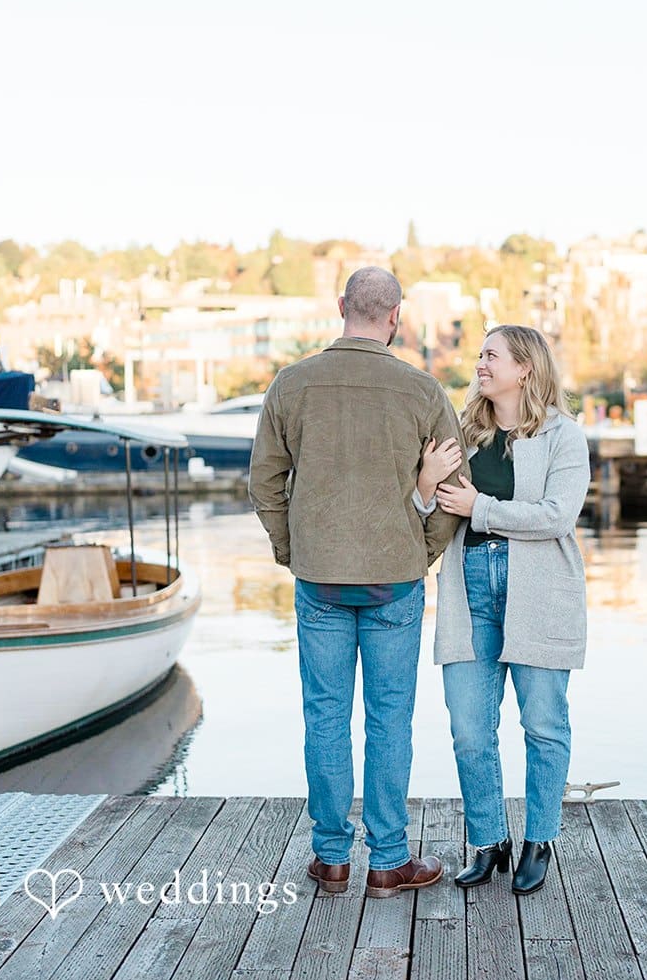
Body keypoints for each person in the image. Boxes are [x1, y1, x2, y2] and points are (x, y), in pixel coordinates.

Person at [249, 266, 464, 899]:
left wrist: (294, 550)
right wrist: (420, 550)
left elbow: (264, 482)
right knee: (390, 719)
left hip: (320, 579)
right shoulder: (422, 391)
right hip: (394, 580)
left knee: (324, 714)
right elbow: (454, 489)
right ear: (395, 316)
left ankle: (332, 858)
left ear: (341, 306)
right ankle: (390, 859)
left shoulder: (292, 385)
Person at [415, 324, 591, 896]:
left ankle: (540, 840)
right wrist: (424, 483)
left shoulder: (565, 436)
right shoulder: (463, 433)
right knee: (470, 729)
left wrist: (480, 506)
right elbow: (426, 509)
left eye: (491, 355)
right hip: (470, 593)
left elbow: (556, 516)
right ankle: (490, 841)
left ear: (526, 368)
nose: (480, 364)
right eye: (481, 355)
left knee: (543, 725)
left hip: (538, 594)